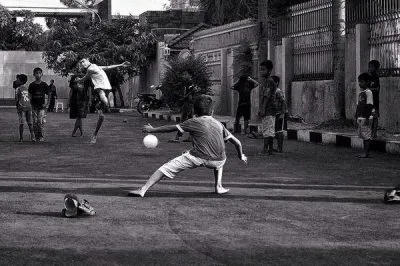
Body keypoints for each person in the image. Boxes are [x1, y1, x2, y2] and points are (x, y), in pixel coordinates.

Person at [128, 95, 248, 197]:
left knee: (165, 168)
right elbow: (237, 143)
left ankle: (142, 189)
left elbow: (172, 128)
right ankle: (218, 186)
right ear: (212, 112)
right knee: (220, 157)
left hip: (199, 157)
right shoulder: (219, 124)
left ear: (194, 112)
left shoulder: (193, 121)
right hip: (218, 161)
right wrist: (241, 155)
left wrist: (153, 130)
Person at [75, 58, 131, 144]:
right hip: (99, 89)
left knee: (101, 116)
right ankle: (106, 102)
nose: (82, 63)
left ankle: (95, 133)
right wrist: (79, 80)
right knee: (101, 93)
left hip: (107, 88)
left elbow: (108, 67)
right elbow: (86, 77)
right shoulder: (90, 69)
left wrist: (120, 64)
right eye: (81, 63)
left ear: (88, 60)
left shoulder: (96, 66)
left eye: (83, 61)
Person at [250, 60, 277, 155]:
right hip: (270, 109)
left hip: (269, 109)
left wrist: (263, 109)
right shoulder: (267, 81)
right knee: (269, 129)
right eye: (260, 69)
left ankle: (266, 150)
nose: (261, 71)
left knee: (267, 130)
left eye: (263, 70)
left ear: (269, 71)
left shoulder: (269, 81)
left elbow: (267, 96)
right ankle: (270, 150)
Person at [170, 71, 197, 143]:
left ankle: (177, 137)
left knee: (183, 120)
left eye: (185, 74)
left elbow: (192, 92)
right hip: (189, 103)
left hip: (188, 103)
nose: (183, 76)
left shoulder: (191, 83)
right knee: (191, 120)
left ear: (190, 75)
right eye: (183, 74)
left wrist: (185, 97)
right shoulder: (188, 83)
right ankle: (191, 136)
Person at [355, 73, 375, 158]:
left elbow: (370, 105)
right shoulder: (360, 93)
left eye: (362, 82)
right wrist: (356, 116)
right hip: (361, 116)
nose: (360, 83)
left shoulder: (368, 92)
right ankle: (365, 152)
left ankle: (366, 153)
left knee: (366, 135)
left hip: (366, 117)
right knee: (363, 135)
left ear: (367, 82)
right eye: (359, 81)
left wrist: (367, 117)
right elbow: (358, 105)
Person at [28, 67, 49, 142]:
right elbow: (29, 95)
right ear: (34, 74)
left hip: (41, 106)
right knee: (35, 122)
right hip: (34, 106)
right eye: (36, 73)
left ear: (42, 74)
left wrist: (47, 103)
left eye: (39, 73)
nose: (38, 74)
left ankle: (42, 136)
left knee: (41, 122)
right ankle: (36, 136)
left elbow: (49, 93)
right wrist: (29, 104)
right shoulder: (32, 85)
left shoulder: (44, 85)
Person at [15, 74, 35, 142]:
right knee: (30, 123)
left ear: (20, 81)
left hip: (21, 107)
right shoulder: (28, 88)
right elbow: (30, 97)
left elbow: (17, 99)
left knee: (21, 123)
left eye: (18, 79)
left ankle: (21, 138)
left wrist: (17, 107)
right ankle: (33, 137)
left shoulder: (17, 89)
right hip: (29, 106)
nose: (16, 80)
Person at [271, 75, 287, 153]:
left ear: (276, 83)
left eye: (272, 81)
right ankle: (277, 147)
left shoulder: (278, 91)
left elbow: (283, 102)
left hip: (280, 113)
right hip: (274, 113)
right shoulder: (272, 91)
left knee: (279, 131)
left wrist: (282, 113)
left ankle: (280, 148)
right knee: (275, 130)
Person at [368, 60, 380, 139]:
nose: (369, 68)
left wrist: (371, 89)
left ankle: (374, 133)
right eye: (369, 67)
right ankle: (371, 132)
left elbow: (377, 89)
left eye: (371, 67)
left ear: (376, 68)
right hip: (369, 101)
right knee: (370, 117)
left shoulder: (376, 77)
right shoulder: (369, 77)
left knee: (374, 117)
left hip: (374, 101)